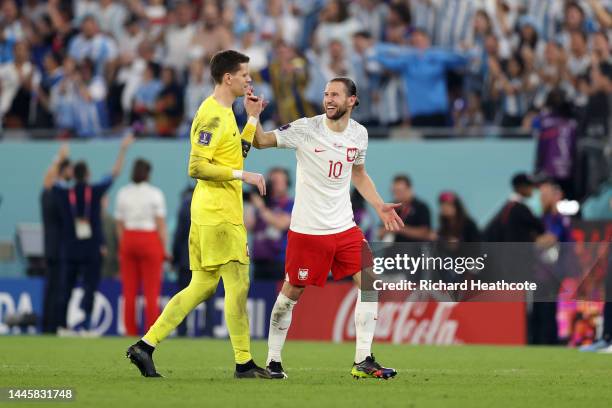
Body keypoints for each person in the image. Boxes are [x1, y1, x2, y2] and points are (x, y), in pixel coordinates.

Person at [126, 50, 271, 379]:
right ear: (228, 78)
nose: (249, 79)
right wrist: (242, 177)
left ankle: (145, 346)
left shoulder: (228, 112)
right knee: (238, 284)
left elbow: (236, 156)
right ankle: (244, 362)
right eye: (244, 73)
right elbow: (196, 166)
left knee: (204, 286)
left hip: (214, 212)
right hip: (218, 215)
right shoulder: (211, 115)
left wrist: (251, 119)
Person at [253, 77, 404, 379]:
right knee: (290, 294)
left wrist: (378, 204)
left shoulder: (360, 134)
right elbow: (261, 141)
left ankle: (363, 359)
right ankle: (273, 361)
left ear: (352, 100)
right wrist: (253, 116)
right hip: (308, 230)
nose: (328, 99)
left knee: (371, 283)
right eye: (325, 94)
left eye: (335, 94)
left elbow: (358, 173)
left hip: (344, 227)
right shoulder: (306, 129)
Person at [52, 134, 133, 335]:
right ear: (87, 174)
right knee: (90, 288)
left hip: (70, 249)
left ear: (73, 174)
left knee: (66, 288)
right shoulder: (95, 191)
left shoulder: (64, 193)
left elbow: (53, 181)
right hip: (91, 250)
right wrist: (123, 149)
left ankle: (62, 326)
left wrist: (60, 159)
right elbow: (114, 173)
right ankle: (87, 326)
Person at [115, 159, 168, 336]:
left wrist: (124, 243)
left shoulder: (123, 193)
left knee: (129, 291)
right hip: (149, 239)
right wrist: (165, 248)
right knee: (151, 291)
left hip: (129, 238)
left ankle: (129, 331)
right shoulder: (155, 194)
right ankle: (151, 333)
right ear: (148, 174)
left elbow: (119, 224)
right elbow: (160, 224)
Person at [41, 144, 72, 333]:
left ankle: (52, 325)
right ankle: (51, 325)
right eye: (68, 168)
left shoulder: (62, 192)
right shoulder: (52, 193)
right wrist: (58, 158)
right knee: (55, 287)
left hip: (57, 246)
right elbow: (47, 181)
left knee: (56, 287)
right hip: (56, 246)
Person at [246, 167, 293, 281]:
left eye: (278, 181)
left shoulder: (290, 203)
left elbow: (282, 224)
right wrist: (251, 202)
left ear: (287, 183)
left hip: (279, 262)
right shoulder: (263, 203)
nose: (274, 185)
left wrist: (261, 208)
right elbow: (248, 226)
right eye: (272, 181)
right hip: (259, 262)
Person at [383, 174, 432, 243]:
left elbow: (425, 233)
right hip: (393, 250)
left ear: (409, 189)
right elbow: (379, 232)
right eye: (394, 191)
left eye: (399, 191)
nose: (396, 194)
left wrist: (399, 229)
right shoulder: (391, 208)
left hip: (415, 250)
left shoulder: (421, 207)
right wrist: (387, 229)